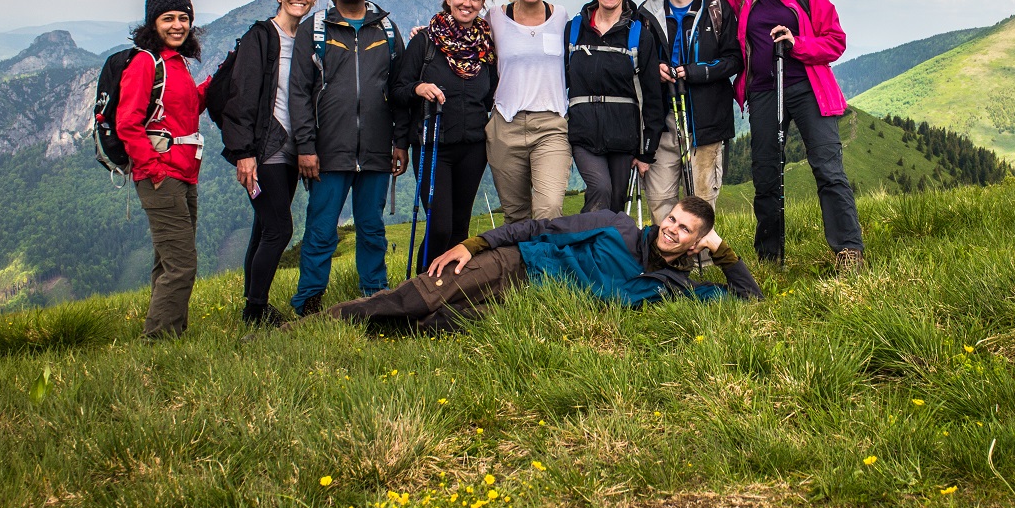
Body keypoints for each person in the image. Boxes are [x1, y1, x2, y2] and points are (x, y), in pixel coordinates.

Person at [640, 0, 865, 270]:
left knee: (827, 168)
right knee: (765, 173)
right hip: (762, 91)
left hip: (808, 88)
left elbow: (835, 41)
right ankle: (769, 254)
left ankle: (848, 250)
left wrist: (797, 44)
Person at [315, 196, 761, 333]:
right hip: (518, 264)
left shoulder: (672, 288)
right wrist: (474, 244)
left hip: (531, 303)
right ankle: (311, 327)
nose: (670, 230)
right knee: (416, 297)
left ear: (695, 243)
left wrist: (722, 251)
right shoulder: (616, 226)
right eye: (672, 219)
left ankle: (352, 332)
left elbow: (748, 297)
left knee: (434, 327)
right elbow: (540, 227)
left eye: (684, 230)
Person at [288, 0, 409, 316]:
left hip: (376, 147)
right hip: (327, 150)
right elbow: (298, 91)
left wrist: (400, 142)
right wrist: (305, 147)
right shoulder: (316, 29)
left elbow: (402, 89)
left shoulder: (387, 29)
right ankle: (309, 301)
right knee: (321, 229)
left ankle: (375, 298)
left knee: (372, 228)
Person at [219, 0, 319, 326]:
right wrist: (244, 154)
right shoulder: (261, 37)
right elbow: (242, 98)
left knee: (264, 228)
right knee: (279, 229)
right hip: (265, 150)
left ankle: (252, 304)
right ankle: (256, 309)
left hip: (293, 150)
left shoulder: (308, 40)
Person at [117, 0, 209, 339]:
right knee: (182, 265)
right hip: (162, 174)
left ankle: (171, 333)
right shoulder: (146, 63)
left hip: (185, 173)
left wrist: (216, 82)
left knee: (167, 261)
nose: (177, 25)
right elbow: (127, 123)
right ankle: (158, 342)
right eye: (168, 18)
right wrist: (153, 170)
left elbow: (187, 109)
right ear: (152, 23)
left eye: (183, 18)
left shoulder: (177, 64)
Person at [393, 0, 498, 272]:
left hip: (474, 148)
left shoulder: (487, 47)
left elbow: (492, 93)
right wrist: (418, 87)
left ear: (482, 3)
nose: (467, 3)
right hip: (432, 146)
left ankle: (447, 292)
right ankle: (422, 285)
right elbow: (398, 90)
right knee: (439, 226)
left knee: (458, 228)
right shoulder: (424, 42)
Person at [639, 0, 742, 224]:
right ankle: (667, 264)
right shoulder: (646, 13)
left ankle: (701, 265)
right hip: (661, 121)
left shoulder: (716, 8)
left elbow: (734, 58)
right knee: (660, 200)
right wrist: (654, 69)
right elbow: (636, 61)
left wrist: (696, 72)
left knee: (700, 201)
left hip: (705, 122)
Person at [564, 0, 667, 213]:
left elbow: (653, 94)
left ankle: (607, 251)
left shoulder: (639, 35)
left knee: (617, 200)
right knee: (600, 188)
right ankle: (584, 247)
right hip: (583, 133)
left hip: (624, 136)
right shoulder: (574, 29)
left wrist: (647, 151)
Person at [485, 0, 573, 223]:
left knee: (548, 209)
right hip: (505, 125)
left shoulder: (562, 18)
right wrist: (425, 35)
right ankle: (521, 267)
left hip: (552, 126)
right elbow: (464, 42)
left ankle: (546, 267)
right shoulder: (494, 18)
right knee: (515, 214)